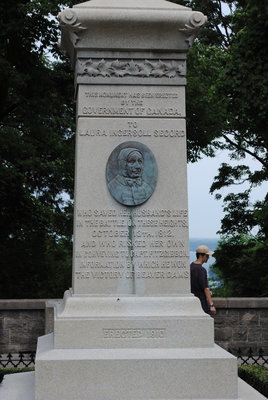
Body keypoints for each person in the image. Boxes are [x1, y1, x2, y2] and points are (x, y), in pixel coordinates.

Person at [190, 245, 216, 315]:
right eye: (207, 256)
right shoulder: (202, 270)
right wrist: (211, 305)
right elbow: (206, 288)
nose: (208, 257)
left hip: (191, 302)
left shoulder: (190, 267)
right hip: (201, 302)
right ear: (201, 255)